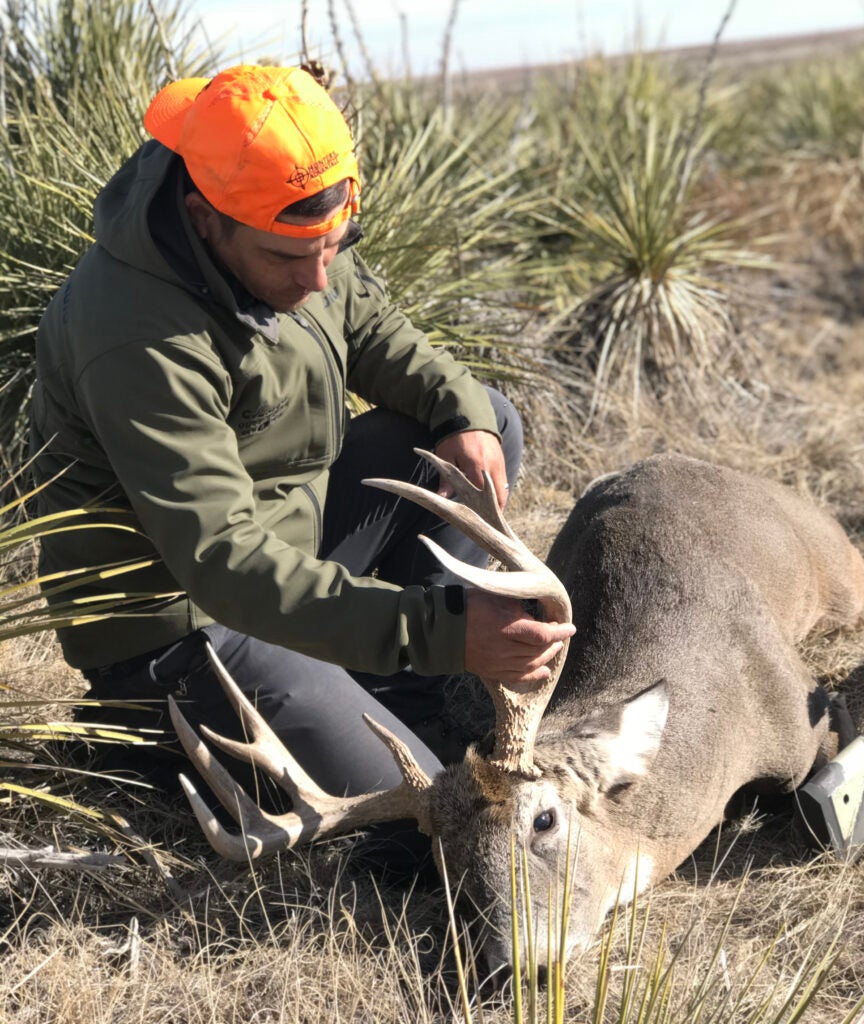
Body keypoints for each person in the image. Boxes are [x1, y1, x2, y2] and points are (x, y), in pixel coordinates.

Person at [29, 64, 574, 822]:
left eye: (334, 244)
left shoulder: (287, 209)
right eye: (288, 259)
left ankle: (387, 691)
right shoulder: (136, 334)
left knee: (482, 419)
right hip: (185, 622)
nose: (318, 278)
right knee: (433, 818)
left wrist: (459, 412)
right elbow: (223, 562)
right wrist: (439, 630)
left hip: (289, 547)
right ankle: (150, 737)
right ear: (204, 216)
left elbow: (373, 330)